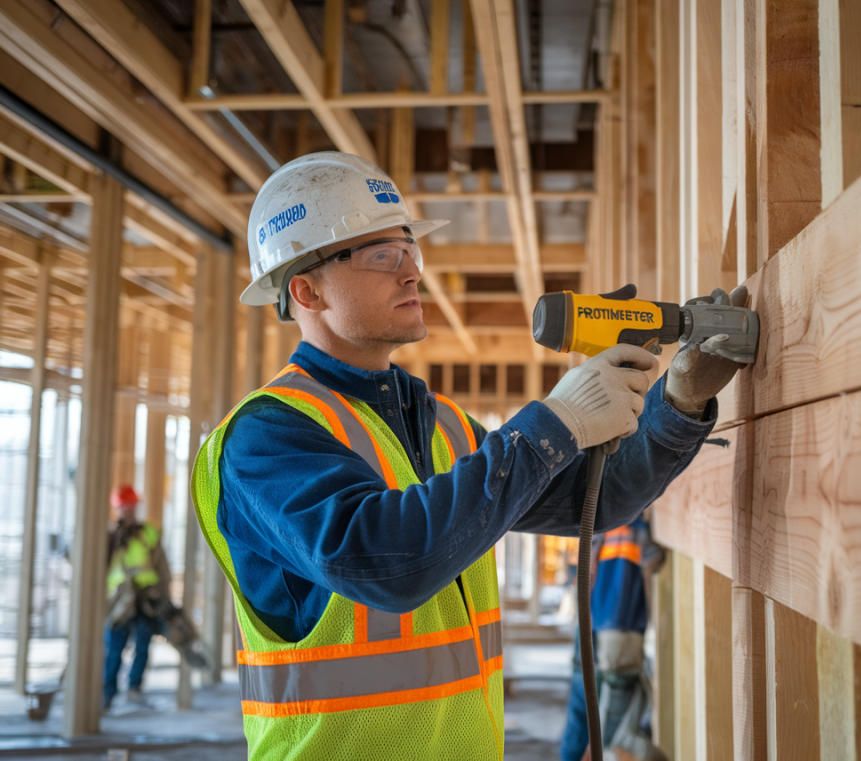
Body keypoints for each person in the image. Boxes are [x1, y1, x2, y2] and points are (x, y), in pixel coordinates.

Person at [190, 151, 749, 760]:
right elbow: (385, 560)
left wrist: (680, 402)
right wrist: (552, 424)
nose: (411, 273)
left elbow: (592, 499)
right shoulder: (265, 436)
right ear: (306, 288)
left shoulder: (442, 423)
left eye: (411, 252)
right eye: (382, 256)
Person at [561, 517, 666, 761]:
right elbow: (653, 557)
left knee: (582, 706)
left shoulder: (597, 520)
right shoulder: (634, 524)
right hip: (620, 627)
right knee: (610, 725)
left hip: (589, 620)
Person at [103, 484, 171, 710]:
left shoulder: (148, 532)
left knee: (142, 644)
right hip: (120, 601)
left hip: (144, 599)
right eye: (124, 506)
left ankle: (134, 689)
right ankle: (108, 692)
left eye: (131, 505)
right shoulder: (111, 537)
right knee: (114, 648)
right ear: (118, 508)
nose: (128, 510)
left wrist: (164, 597)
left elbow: (161, 566)